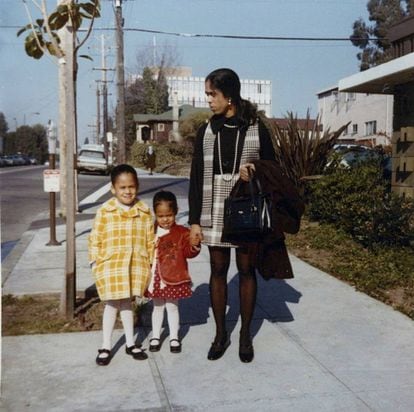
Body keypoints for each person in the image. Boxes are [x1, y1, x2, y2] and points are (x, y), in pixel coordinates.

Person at [188, 68, 277, 363]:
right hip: (212, 206)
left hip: (245, 207)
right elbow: (196, 177)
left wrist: (252, 170)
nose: (208, 100)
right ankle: (220, 333)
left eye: (212, 94)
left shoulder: (256, 128)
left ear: (229, 97)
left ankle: (245, 335)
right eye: (207, 94)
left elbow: (272, 169)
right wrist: (194, 222)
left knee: (247, 270)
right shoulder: (206, 130)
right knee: (217, 270)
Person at [89, 164, 155, 366]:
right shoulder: (105, 211)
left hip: (134, 265)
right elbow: (95, 237)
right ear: (113, 189)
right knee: (111, 304)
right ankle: (106, 345)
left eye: (132, 187)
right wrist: (94, 261)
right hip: (111, 264)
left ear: (137, 186)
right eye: (123, 187)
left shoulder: (144, 212)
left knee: (127, 303)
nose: (127, 191)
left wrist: (151, 264)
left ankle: (130, 342)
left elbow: (150, 240)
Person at [145, 190, 200, 353]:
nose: (165, 219)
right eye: (161, 216)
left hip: (174, 276)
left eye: (169, 215)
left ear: (175, 212)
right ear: (155, 214)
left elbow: (189, 253)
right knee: (157, 307)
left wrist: (194, 244)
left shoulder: (182, 233)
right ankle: (155, 336)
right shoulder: (150, 231)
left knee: (172, 306)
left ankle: (174, 337)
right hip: (155, 276)